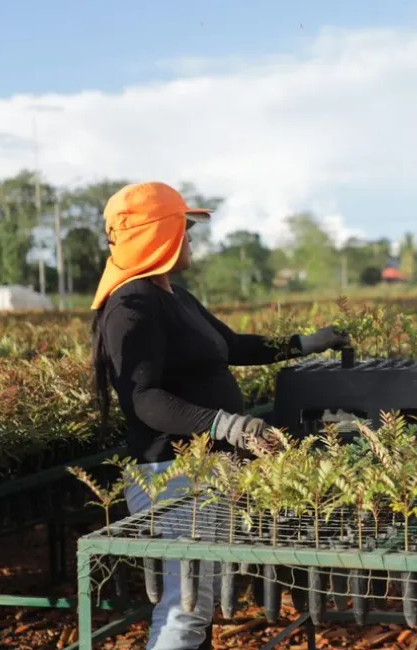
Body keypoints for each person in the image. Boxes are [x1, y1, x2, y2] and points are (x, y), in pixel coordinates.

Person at [88, 181, 349, 650]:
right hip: (171, 475)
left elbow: (231, 346)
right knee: (185, 608)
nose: (189, 240)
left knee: (196, 602)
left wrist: (304, 343)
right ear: (156, 235)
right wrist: (226, 425)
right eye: (183, 229)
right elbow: (142, 399)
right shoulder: (132, 306)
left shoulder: (174, 297)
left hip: (204, 472)